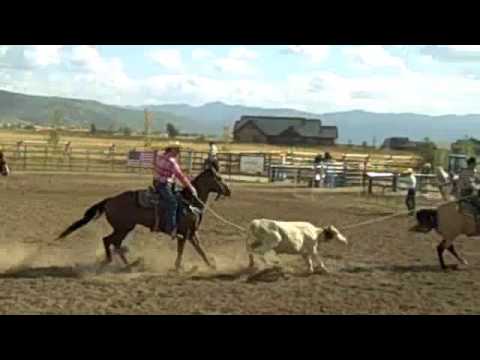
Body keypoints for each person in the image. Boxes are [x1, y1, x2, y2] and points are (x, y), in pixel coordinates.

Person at [153, 142, 198, 238]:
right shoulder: (172, 162)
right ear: (172, 149)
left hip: (157, 181)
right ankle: (171, 229)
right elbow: (180, 176)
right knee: (172, 203)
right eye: (177, 149)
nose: (178, 151)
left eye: (179, 149)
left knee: (177, 197)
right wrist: (191, 187)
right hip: (163, 184)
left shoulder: (161, 156)